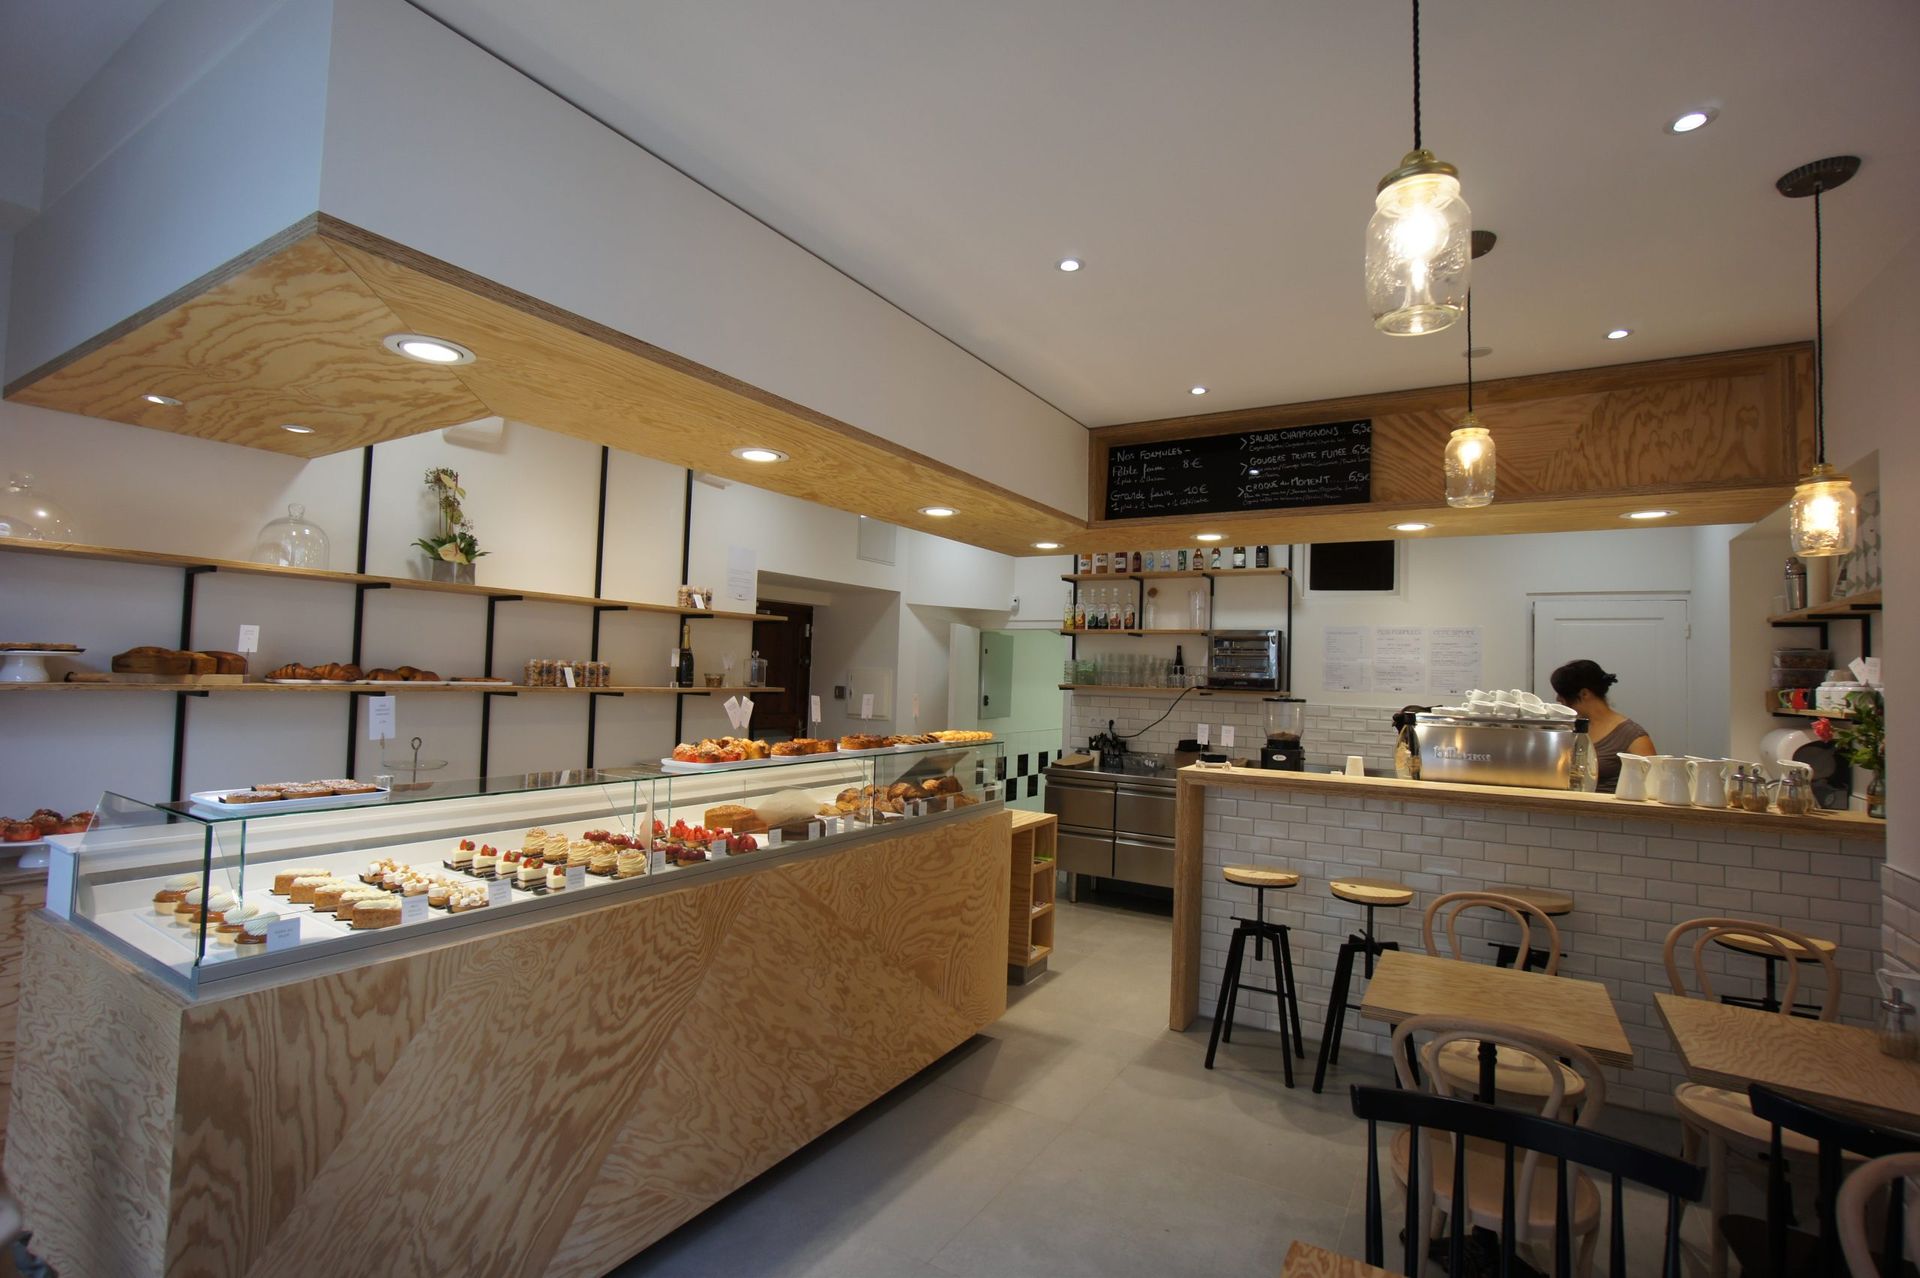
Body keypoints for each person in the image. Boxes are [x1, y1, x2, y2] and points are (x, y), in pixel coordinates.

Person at [1549, 659, 1655, 794]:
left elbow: (1652, 788)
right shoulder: (1568, 728)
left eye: (1562, 694)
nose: (1558, 699)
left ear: (1584, 694)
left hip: (1609, 812)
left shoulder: (1633, 736)